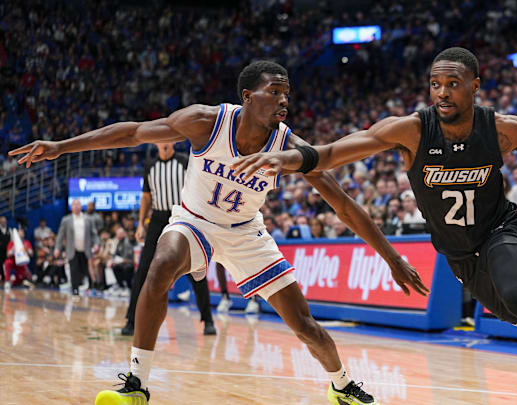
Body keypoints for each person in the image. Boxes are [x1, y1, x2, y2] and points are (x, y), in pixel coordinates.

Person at [232, 47, 517, 405]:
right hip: (459, 253)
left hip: (501, 230)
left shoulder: (504, 129)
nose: (442, 92)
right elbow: (333, 153)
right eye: (436, 84)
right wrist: (288, 159)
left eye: (453, 84)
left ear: (475, 86)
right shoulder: (412, 131)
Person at [11, 60, 427, 405]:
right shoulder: (206, 122)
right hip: (193, 220)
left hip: (246, 232)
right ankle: (136, 384)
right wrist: (62, 146)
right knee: (159, 268)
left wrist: (392, 258)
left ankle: (341, 384)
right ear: (248, 96)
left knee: (304, 324)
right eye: (274, 91)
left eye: (287, 92)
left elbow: (343, 204)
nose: (284, 99)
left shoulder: (290, 146)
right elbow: (133, 132)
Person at [122, 141, 217, 337]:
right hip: (157, 218)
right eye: (160, 140)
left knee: (195, 267)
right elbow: (146, 197)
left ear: (173, 141)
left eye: (167, 139)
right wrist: (141, 223)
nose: (164, 143)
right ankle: (131, 320)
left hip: (181, 217)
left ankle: (208, 320)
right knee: (144, 270)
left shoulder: (184, 162)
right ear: (155, 143)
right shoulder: (150, 165)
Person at [55, 200, 100, 295]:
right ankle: (75, 290)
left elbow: (94, 234)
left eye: (78, 204)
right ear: (71, 207)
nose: (76, 207)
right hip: (72, 250)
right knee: (74, 269)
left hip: (85, 249)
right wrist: (57, 248)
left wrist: (96, 244)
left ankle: (88, 287)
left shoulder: (88, 219)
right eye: (74, 205)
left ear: (81, 206)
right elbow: (60, 235)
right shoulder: (66, 220)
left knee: (84, 270)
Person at [0, 216, 10, 283]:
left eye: (4, 221)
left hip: (7, 250)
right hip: (0, 250)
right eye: (2, 221)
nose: (3, 222)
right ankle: (2, 277)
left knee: (7, 263)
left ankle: (7, 277)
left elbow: (11, 240)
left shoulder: (9, 230)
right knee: (0, 264)